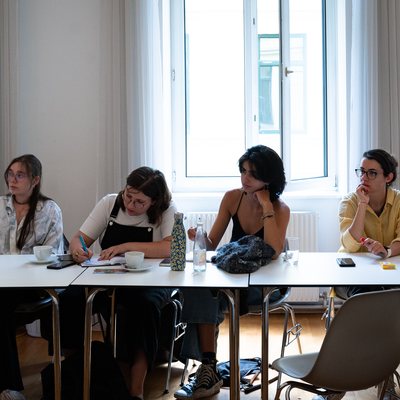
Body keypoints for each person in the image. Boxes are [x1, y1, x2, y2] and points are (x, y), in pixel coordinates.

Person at [174, 145, 290, 399]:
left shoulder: (280, 209)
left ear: (269, 179)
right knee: (198, 291)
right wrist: (199, 238)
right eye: (243, 171)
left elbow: (272, 250)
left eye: (252, 174)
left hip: (266, 284)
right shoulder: (232, 198)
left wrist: (266, 206)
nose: (244, 179)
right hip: (233, 278)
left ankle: (207, 370)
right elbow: (213, 244)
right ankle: (208, 367)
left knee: (209, 297)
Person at [68, 166, 176, 400]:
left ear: (154, 201)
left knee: (143, 307)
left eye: (139, 202)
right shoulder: (110, 203)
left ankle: (135, 390)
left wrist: (127, 246)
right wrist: (78, 250)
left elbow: (170, 247)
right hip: (109, 279)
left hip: (151, 283)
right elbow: (79, 238)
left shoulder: (167, 210)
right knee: (70, 300)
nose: (130, 204)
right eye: (128, 195)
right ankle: (75, 373)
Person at [0, 154, 64, 400]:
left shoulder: (48, 210)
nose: (12, 180)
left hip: (34, 284)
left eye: (20, 175)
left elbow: (53, 254)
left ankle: (10, 387)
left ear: (35, 180)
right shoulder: (1, 206)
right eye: (10, 174)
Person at [336, 148, 400, 299]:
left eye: (372, 173)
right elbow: (351, 245)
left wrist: (387, 250)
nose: (364, 178)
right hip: (352, 272)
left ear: (388, 177)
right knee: (369, 295)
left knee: (390, 294)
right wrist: (363, 204)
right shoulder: (349, 201)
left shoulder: (398, 201)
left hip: (389, 270)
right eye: (362, 171)